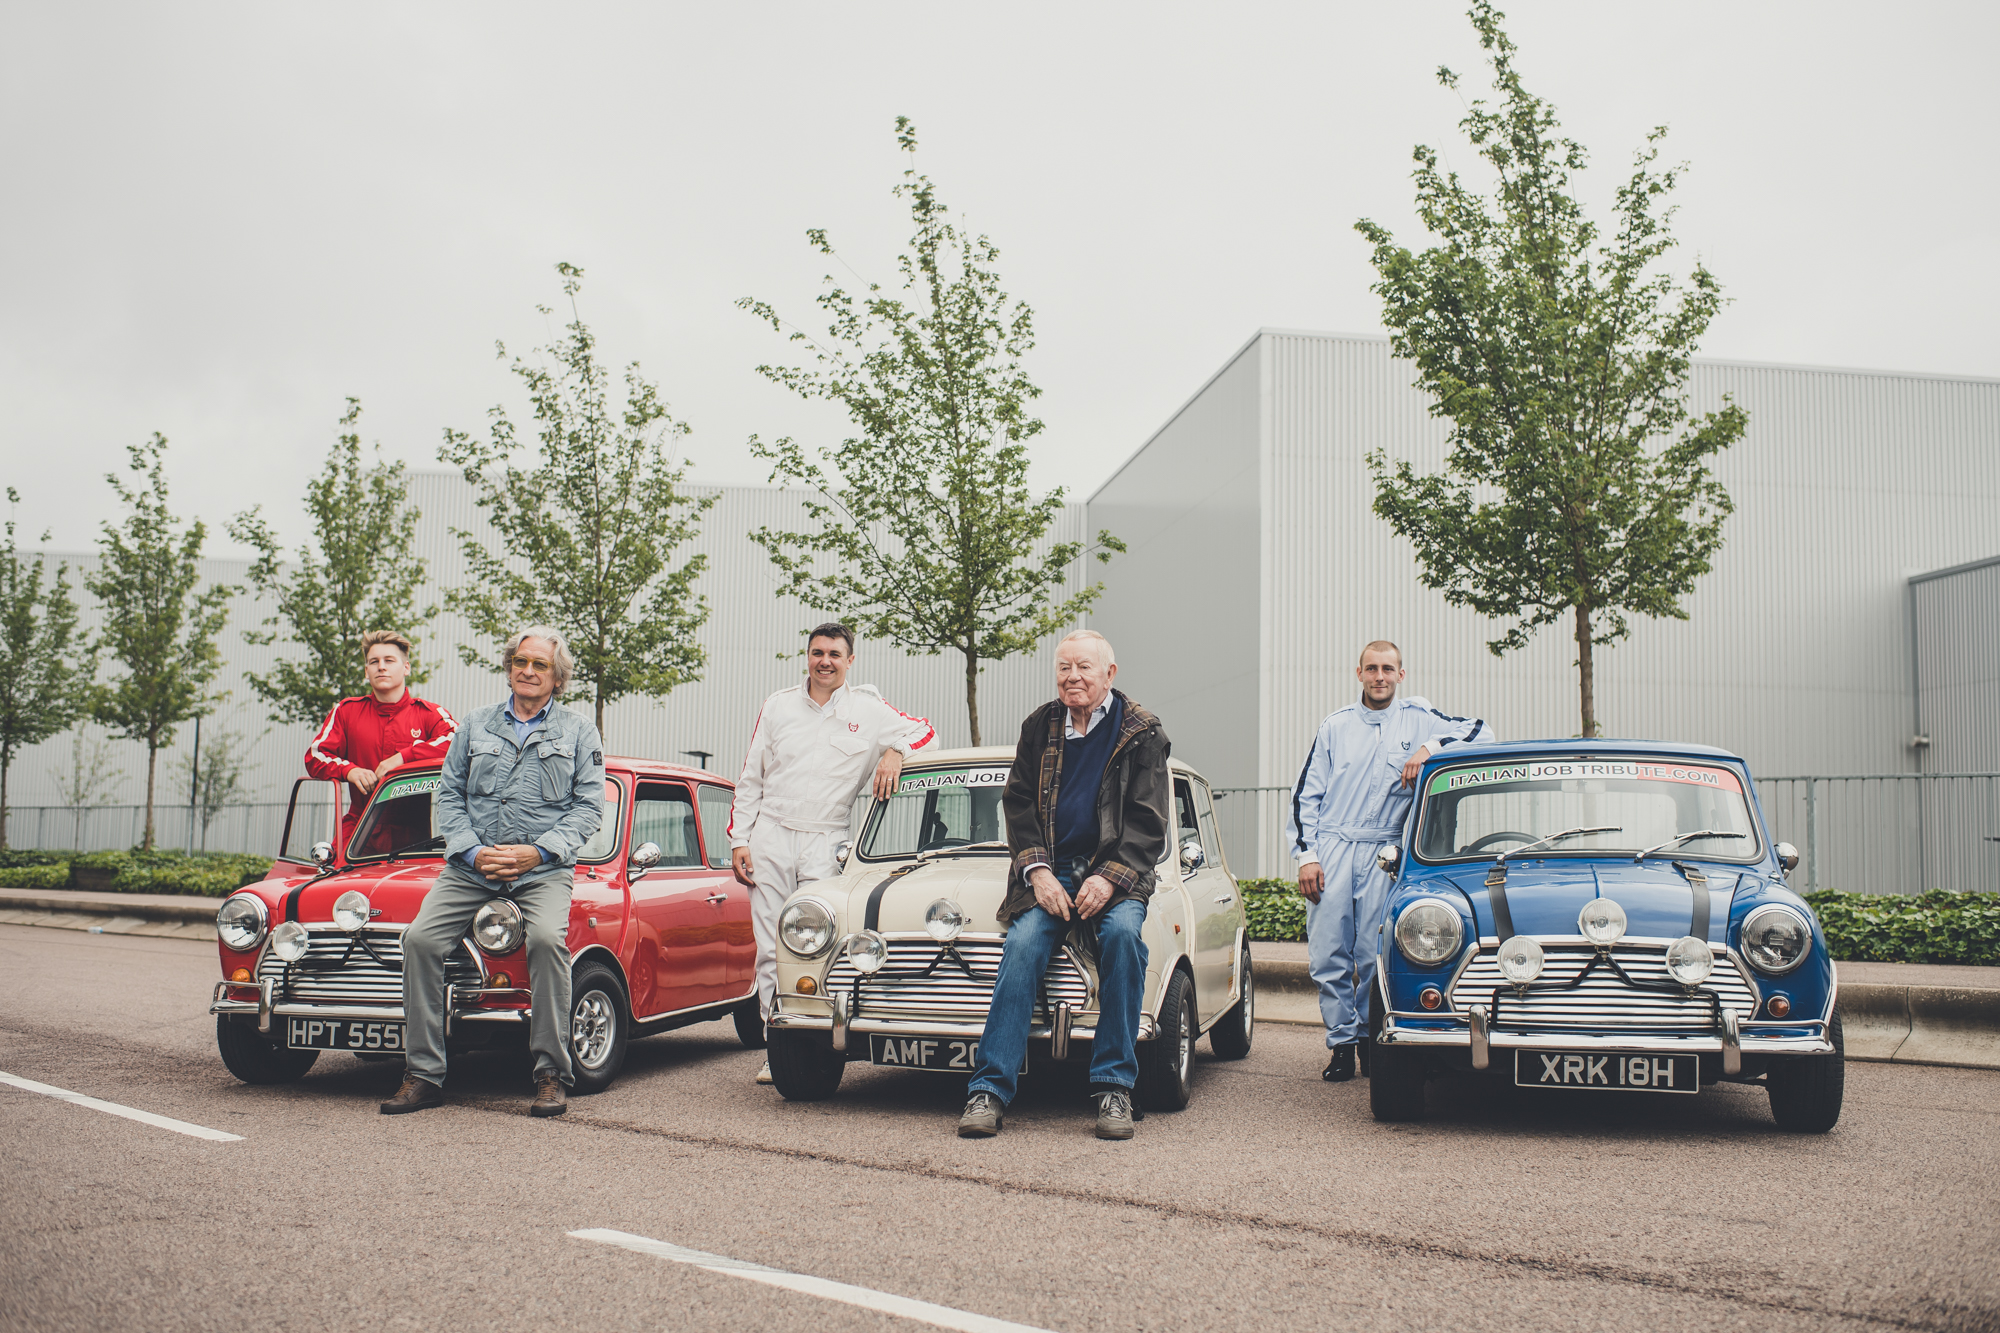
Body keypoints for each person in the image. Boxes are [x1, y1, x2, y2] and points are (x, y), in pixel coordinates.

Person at [380, 627, 606, 1118]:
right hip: (471, 868)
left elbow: (589, 808)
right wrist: (471, 851)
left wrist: (538, 852)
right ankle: (424, 1075)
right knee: (419, 940)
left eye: (540, 665)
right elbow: (449, 795)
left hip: (542, 871)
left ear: (558, 678)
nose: (528, 671)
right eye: (520, 662)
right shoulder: (475, 725)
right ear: (509, 668)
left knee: (546, 941)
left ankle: (551, 1073)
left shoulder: (579, 731)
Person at [957, 630, 1170, 1141]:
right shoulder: (1040, 725)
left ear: (1109, 674)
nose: (1072, 677)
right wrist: (1037, 871)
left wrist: (1108, 878)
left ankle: (1115, 1088)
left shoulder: (1143, 732)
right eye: (1064, 668)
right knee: (1022, 945)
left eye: (1084, 668)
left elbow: (1149, 823)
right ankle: (988, 1090)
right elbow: (1018, 804)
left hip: (1117, 871)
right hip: (1049, 870)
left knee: (1123, 939)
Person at [729, 622, 935, 1085]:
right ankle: (778, 1047)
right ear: (807, 656)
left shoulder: (869, 709)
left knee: (817, 945)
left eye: (835, 654)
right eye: (817, 652)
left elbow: (926, 732)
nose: (825, 662)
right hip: (771, 835)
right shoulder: (778, 705)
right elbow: (751, 777)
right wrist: (740, 838)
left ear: (850, 660)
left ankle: (815, 1044)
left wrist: (895, 751)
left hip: (826, 841)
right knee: (771, 948)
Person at [1283, 640, 1496, 1082]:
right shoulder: (1336, 726)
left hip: (1384, 853)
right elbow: (1306, 795)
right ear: (1358, 673)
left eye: (1387, 669)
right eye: (1371, 668)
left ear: (1401, 674)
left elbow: (1481, 731)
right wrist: (1307, 856)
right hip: (1334, 847)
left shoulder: (1420, 718)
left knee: (1372, 953)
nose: (1379, 676)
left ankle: (1367, 1040)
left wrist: (1430, 747)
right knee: (1328, 952)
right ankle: (1341, 1044)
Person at [304, 630, 457, 855]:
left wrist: (404, 757)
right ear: (366, 671)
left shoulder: (429, 714)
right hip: (359, 829)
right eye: (374, 662)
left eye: (389, 660)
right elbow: (315, 757)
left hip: (413, 835)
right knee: (334, 874)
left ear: (406, 667)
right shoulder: (346, 711)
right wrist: (349, 771)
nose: (381, 667)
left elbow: (457, 742)